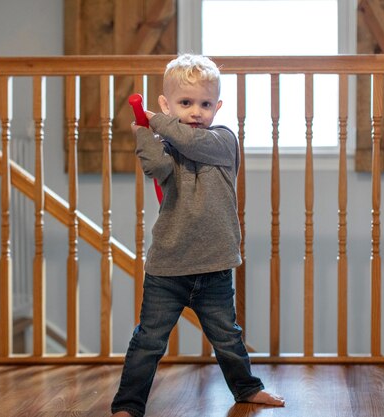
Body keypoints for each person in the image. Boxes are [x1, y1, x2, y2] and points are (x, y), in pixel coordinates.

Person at [111, 54, 285, 417]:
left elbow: (191, 141)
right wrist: (144, 134)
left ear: (217, 106)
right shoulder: (169, 150)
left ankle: (247, 389)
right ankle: (128, 406)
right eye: (185, 103)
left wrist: (156, 121)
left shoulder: (222, 141)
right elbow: (156, 167)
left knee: (227, 336)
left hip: (214, 265)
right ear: (167, 102)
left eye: (205, 104)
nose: (196, 111)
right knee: (149, 340)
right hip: (168, 267)